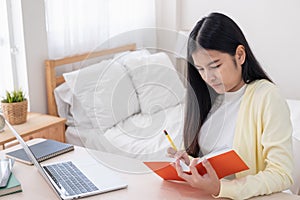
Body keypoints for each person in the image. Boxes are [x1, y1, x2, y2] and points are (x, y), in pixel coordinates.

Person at [167, 12, 293, 199]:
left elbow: (282, 174)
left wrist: (222, 189)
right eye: (201, 69)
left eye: (215, 66)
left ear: (240, 55)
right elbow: (215, 163)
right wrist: (191, 163)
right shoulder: (208, 100)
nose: (208, 78)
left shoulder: (267, 96)